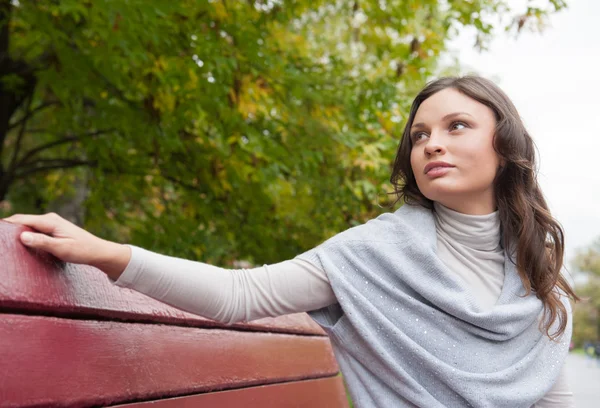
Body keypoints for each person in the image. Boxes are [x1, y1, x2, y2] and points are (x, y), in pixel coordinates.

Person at [3, 76, 578, 407]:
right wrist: (105, 252)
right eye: (420, 134)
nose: (431, 144)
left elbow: (554, 395)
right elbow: (240, 294)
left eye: (457, 127)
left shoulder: (536, 270)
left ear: (505, 144)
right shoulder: (374, 253)